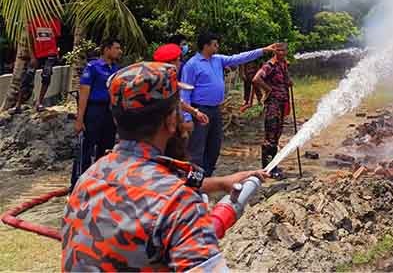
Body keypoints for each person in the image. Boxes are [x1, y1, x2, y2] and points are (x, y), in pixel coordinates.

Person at [62, 62, 268, 271]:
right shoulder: (178, 204)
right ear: (171, 121)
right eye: (179, 111)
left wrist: (221, 183)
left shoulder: (88, 180)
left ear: (117, 120)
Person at [181, 33, 279, 176]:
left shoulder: (218, 60)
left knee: (214, 145)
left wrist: (263, 50)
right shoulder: (192, 65)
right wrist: (188, 117)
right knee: (197, 146)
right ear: (206, 45)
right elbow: (185, 92)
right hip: (199, 110)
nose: (217, 47)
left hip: (215, 110)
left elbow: (239, 58)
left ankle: (207, 175)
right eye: (215, 44)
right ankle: (194, 179)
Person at [71, 38, 122, 189]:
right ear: (107, 49)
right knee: (86, 148)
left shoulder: (116, 70)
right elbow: (84, 93)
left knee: (106, 149)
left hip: (108, 111)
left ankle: (99, 185)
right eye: (116, 48)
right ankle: (77, 186)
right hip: (94, 110)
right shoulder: (93, 67)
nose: (120, 51)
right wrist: (80, 119)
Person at [253, 43, 292, 178]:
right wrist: (268, 90)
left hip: (281, 104)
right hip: (273, 106)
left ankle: (274, 166)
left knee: (277, 136)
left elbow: (285, 81)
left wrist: (288, 81)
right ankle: (267, 169)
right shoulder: (270, 65)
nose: (281, 52)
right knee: (270, 137)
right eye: (278, 50)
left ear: (286, 51)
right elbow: (256, 79)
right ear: (274, 51)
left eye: (283, 50)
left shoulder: (283, 65)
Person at [153, 43, 209, 136]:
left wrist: (195, 113)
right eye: (178, 60)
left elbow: (178, 101)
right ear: (170, 63)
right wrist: (184, 123)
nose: (180, 63)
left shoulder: (158, 78)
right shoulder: (163, 83)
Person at [14, 17, 62, 113]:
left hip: (50, 54)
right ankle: (17, 105)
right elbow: (30, 39)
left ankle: (39, 102)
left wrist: (57, 52)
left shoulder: (55, 20)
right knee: (27, 77)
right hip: (37, 54)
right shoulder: (34, 19)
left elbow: (57, 38)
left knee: (47, 75)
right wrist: (32, 56)